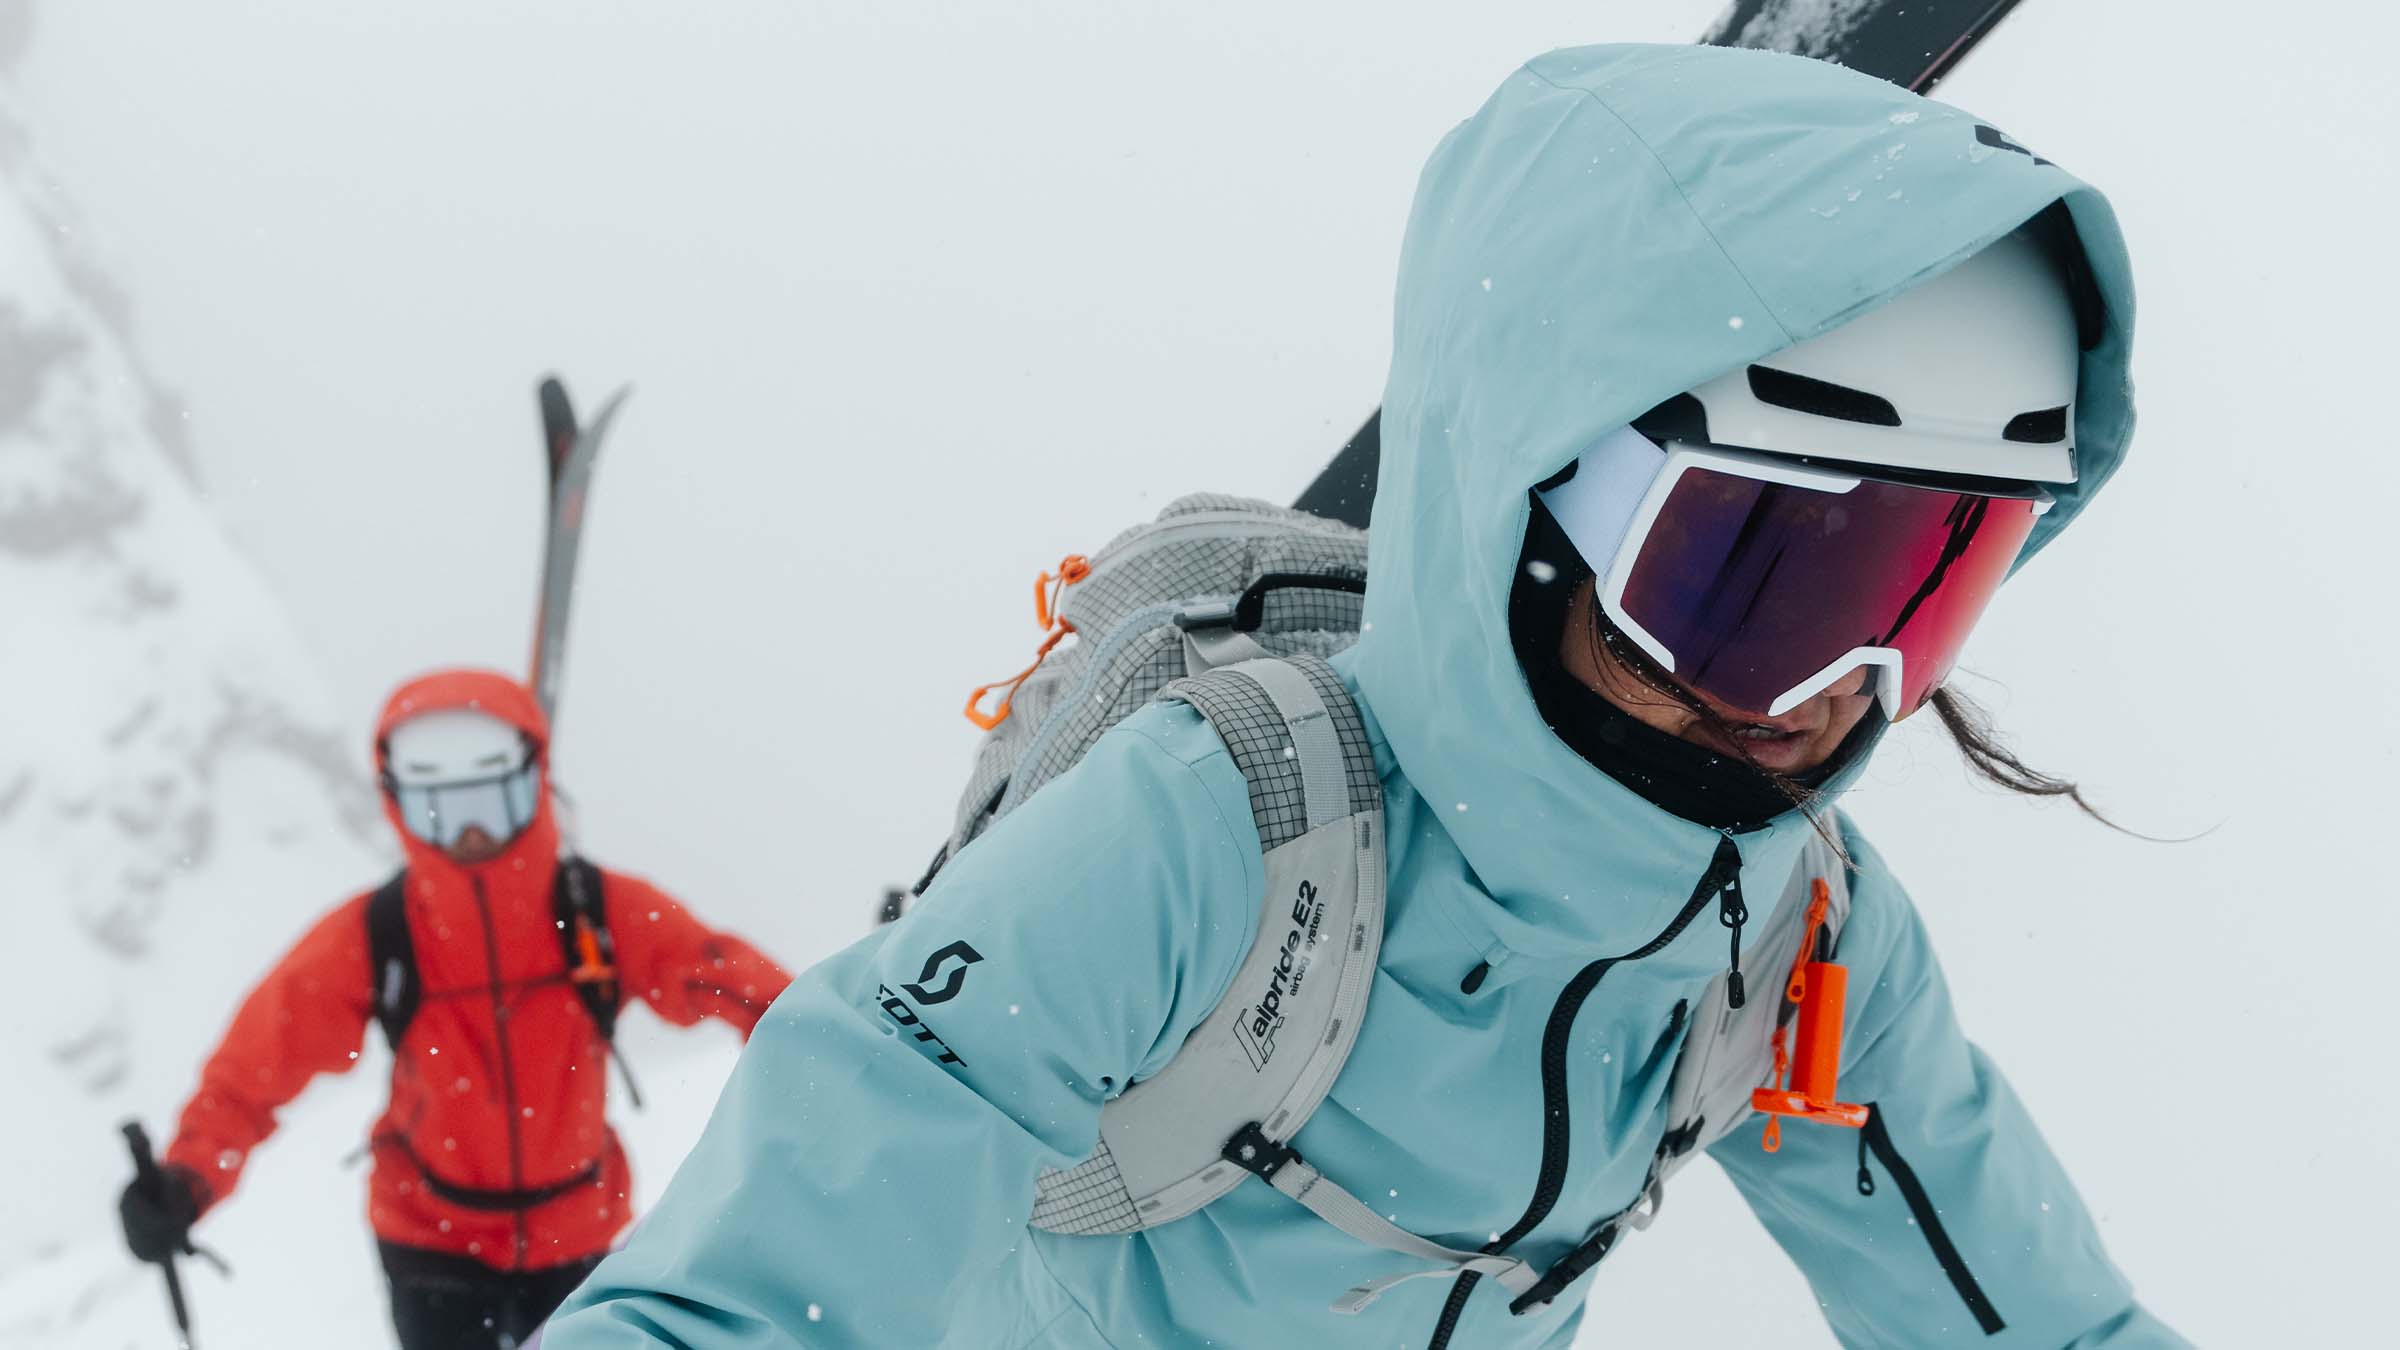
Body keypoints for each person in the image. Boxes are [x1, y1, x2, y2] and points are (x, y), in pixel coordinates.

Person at [543, 43, 2186, 1348]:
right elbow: (779, 1256)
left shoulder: (1788, 935)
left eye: (1930, 586)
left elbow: (2029, 1317)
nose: (1835, 690)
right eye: (1759, 582)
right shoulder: (1217, 831)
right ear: (1537, 505)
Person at [117, 668, 793, 1349]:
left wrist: (850, 1028)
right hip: (430, 1244)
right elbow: (258, 1063)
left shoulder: (594, 911)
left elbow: (732, 982)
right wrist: (188, 1179)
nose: (470, 833)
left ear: (533, 787)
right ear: (398, 807)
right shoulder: (380, 933)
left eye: (493, 801)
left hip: (578, 1236)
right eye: (439, 808)